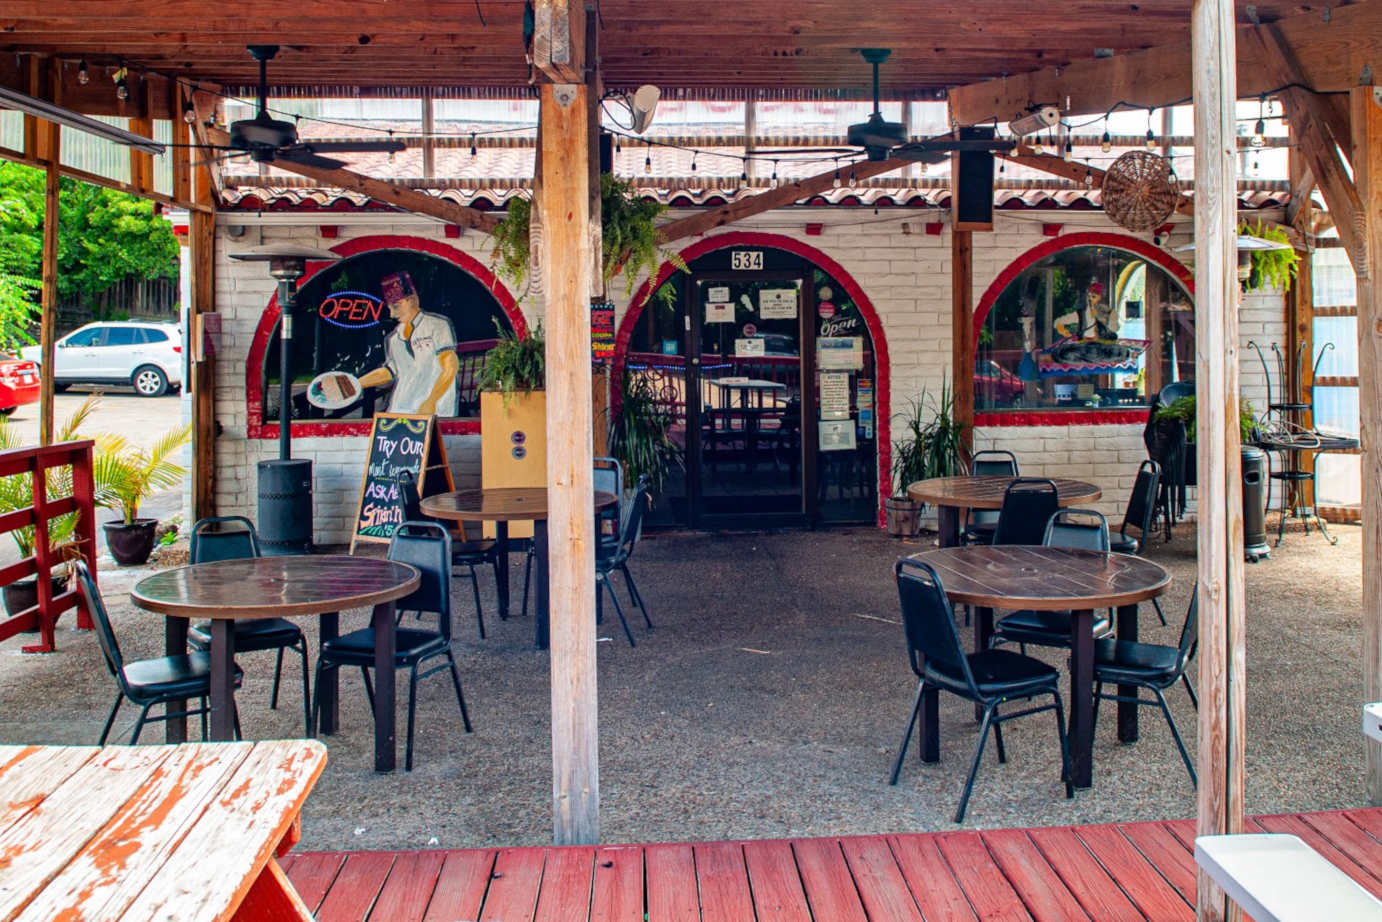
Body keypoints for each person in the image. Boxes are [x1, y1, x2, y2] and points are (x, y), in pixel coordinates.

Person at [354, 271, 459, 416]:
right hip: (399, 410)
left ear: (413, 300)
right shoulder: (394, 339)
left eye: (396, 306)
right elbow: (390, 371)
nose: (392, 315)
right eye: (390, 308)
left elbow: (450, 366)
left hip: (434, 410)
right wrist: (356, 384)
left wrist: (431, 401)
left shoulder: (438, 325)